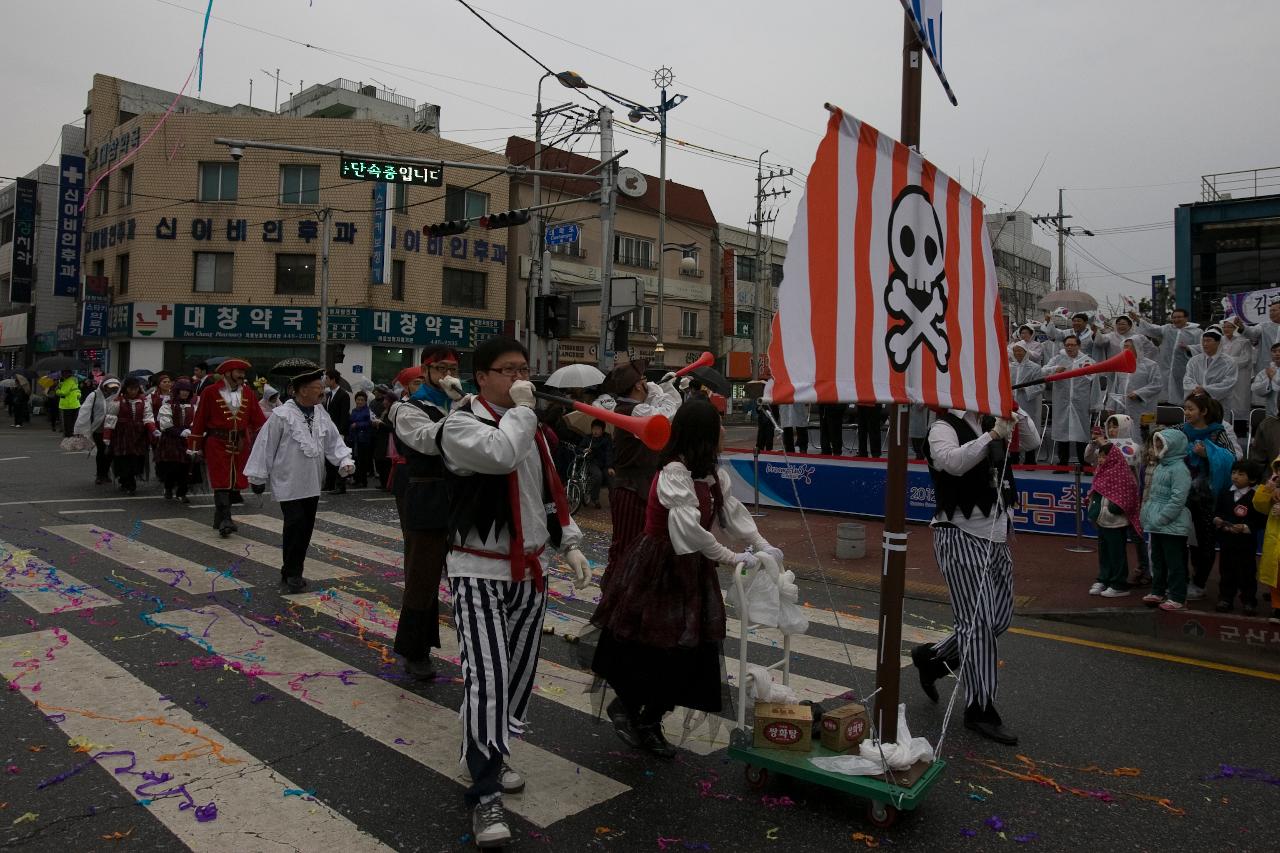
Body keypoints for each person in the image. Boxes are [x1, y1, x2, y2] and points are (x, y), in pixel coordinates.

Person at [434, 337, 591, 847]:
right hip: (478, 570)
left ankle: (487, 754)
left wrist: (568, 542)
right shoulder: (461, 425)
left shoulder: (532, 430)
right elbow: (501, 456)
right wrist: (524, 410)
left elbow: (548, 487)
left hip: (530, 570)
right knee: (490, 678)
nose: (520, 378)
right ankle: (483, 796)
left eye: (524, 369)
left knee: (519, 678)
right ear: (482, 377)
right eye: (508, 370)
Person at [590, 399, 782, 756]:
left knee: (692, 655)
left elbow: (734, 517)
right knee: (654, 650)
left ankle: (647, 715)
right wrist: (732, 556)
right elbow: (690, 531)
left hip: (691, 570)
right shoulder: (673, 473)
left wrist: (764, 547)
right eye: (718, 425)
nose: (724, 430)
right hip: (658, 569)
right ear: (702, 433)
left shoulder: (711, 474)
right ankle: (636, 711)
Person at [911, 405, 1039, 746]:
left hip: (996, 535)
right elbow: (952, 462)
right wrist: (993, 434)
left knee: (998, 619)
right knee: (979, 625)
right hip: (960, 534)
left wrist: (1014, 410)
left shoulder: (988, 420)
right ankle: (980, 709)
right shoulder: (943, 427)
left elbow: (1031, 440)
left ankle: (933, 657)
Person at [386, 351, 465, 680]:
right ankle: (415, 650)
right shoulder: (408, 409)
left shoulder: (459, 403)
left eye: (453, 369)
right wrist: (461, 409)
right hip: (427, 495)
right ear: (428, 370)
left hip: (462, 497)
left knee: (469, 574)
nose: (448, 374)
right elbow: (429, 443)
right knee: (423, 575)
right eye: (440, 368)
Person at [244, 363, 354, 592]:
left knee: (306, 528)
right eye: (316, 387)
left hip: (312, 482)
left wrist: (344, 460)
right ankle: (291, 571)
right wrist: (257, 476)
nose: (321, 392)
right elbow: (265, 446)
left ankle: (294, 568)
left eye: (322, 387)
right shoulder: (282, 416)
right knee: (294, 525)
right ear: (301, 390)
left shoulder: (321, 414)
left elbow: (334, 442)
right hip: (288, 482)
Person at [595, 358, 681, 582]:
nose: (647, 383)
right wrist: (663, 391)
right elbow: (665, 417)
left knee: (644, 547)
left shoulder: (634, 408)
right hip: (631, 490)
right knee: (627, 546)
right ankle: (616, 599)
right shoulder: (633, 411)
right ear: (637, 386)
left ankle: (629, 596)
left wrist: (664, 389)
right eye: (644, 380)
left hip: (641, 486)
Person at [189, 358, 267, 537]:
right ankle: (226, 519)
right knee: (221, 481)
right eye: (238, 372)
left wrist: (269, 438)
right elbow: (200, 419)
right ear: (227, 373)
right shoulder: (210, 392)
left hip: (240, 444)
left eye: (243, 372)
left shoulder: (248, 392)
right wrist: (194, 446)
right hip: (217, 442)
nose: (242, 375)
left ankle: (219, 516)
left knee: (234, 483)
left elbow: (258, 420)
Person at [1179, 392, 1241, 602]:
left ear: (1204, 411)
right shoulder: (1182, 430)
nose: (1187, 413)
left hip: (1207, 497)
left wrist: (1208, 454)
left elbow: (1231, 457)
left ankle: (1199, 582)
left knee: (1204, 540)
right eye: (1185, 408)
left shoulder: (1218, 433)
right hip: (1183, 493)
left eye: (1191, 409)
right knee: (1183, 538)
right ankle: (1182, 579)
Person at [1085, 423, 1143, 598]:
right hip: (1102, 520)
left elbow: (1128, 497)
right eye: (1100, 457)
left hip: (1116, 521)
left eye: (1104, 456)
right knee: (1104, 552)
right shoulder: (1101, 473)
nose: (1101, 460)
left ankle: (1119, 583)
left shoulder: (1123, 473)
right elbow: (1095, 495)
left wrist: (1114, 508)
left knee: (1117, 553)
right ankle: (1104, 578)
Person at [1140, 428, 1194, 611]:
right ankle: (1158, 591)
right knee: (1158, 559)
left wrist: (1162, 518)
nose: (1157, 447)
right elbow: (1153, 495)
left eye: (1161, 443)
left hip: (1171, 523)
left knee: (1174, 561)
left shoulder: (1179, 469)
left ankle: (1178, 597)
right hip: (1157, 522)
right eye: (1156, 443)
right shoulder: (1161, 466)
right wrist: (1148, 514)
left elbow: (1178, 499)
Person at [1213, 460, 1265, 615]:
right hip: (1227, 541)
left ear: (1253, 479)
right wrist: (1218, 520)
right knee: (1226, 570)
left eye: (1241, 474)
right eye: (1234, 472)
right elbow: (1218, 511)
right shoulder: (1225, 493)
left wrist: (1245, 527)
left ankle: (1249, 601)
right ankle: (1226, 598)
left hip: (1246, 543)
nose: (1235, 476)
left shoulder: (1256, 497)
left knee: (1247, 572)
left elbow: (1260, 521)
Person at [1044, 334, 1095, 466]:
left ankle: (1084, 463)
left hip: (1080, 403)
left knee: (1082, 433)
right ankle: (1062, 463)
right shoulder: (1058, 359)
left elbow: (1095, 384)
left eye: (1073, 345)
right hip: (1062, 402)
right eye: (1067, 345)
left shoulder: (1087, 361)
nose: (1070, 347)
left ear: (1079, 346)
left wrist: (1095, 403)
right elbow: (1042, 371)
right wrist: (1055, 369)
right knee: (1062, 432)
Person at [1132, 307, 1200, 405]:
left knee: (1182, 390)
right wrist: (1138, 320)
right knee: (1164, 389)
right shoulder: (1167, 328)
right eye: (1174, 317)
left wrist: (1189, 348)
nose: (1176, 320)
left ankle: (1181, 409)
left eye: (1179, 317)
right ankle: (1165, 408)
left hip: (1184, 367)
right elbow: (1152, 329)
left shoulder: (1196, 332)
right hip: (1165, 366)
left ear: (1186, 318)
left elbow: (1201, 347)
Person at [103, 376, 157, 496]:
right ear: (125, 389)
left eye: (136, 389)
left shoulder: (144, 401)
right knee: (123, 458)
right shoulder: (117, 401)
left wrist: (153, 430)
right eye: (131, 389)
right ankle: (127, 482)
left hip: (138, 434)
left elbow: (148, 417)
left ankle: (130, 481)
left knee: (136, 458)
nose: (133, 391)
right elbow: (110, 419)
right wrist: (107, 436)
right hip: (122, 434)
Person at [1106, 338, 1163, 432]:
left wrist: (1138, 393)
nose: (1125, 349)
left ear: (1137, 347)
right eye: (1123, 346)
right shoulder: (1122, 364)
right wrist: (1111, 406)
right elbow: (1115, 386)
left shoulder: (1151, 365)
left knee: (1143, 436)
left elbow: (1157, 385)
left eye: (1127, 346)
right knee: (1123, 435)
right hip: (1123, 407)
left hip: (1144, 408)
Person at [156, 380, 198, 503]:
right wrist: (180, 432)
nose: (184, 393)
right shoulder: (167, 406)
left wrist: (190, 430)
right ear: (177, 391)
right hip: (171, 440)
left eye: (187, 391)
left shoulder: (193, 407)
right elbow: (165, 424)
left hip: (188, 441)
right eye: (182, 390)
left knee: (186, 467)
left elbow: (197, 422)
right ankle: (168, 488)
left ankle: (182, 492)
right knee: (172, 466)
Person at [75, 376, 120, 484]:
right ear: (104, 386)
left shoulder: (118, 396)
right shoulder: (94, 395)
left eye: (115, 387)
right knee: (101, 451)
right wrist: (80, 428)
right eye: (110, 387)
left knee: (110, 452)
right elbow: (85, 411)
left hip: (113, 428)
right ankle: (100, 475)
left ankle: (106, 473)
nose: (112, 389)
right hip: (99, 429)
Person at [1251, 458, 1280, 624]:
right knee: (1276, 576)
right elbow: (1259, 506)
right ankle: (1277, 607)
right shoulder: (1274, 488)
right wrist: (1266, 490)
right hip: (1274, 541)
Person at [1182, 326, 1238, 405]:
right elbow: (1188, 379)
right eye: (1203, 341)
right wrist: (1196, 390)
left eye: (1209, 341)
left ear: (1218, 342)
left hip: (1219, 403)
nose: (1205, 344)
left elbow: (1229, 383)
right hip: (1197, 401)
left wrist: (1206, 390)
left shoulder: (1229, 362)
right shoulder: (1194, 361)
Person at [1218, 318, 1255, 435]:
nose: (1226, 329)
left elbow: (1246, 359)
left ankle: (1240, 430)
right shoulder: (1220, 341)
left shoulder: (1244, 341)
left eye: (1229, 327)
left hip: (1240, 376)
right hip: (1223, 376)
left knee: (1240, 401)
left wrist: (1226, 361)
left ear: (1235, 328)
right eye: (1224, 327)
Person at [1009, 343, 1043, 465]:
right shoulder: (1009, 367)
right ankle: (1014, 459)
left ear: (1026, 352)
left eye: (1020, 351)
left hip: (1027, 404)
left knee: (1028, 430)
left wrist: (1026, 389)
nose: (1018, 353)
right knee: (1012, 430)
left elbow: (1040, 386)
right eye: (1015, 351)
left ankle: (1030, 461)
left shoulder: (1035, 367)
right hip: (1012, 404)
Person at [322, 369, 352, 494]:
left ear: (333, 379)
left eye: (327, 378)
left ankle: (341, 485)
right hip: (328, 431)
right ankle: (329, 483)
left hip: (339, 431)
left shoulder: (343, 395)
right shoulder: (328, 395)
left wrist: (340, 432)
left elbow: (344, 415)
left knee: (340, 457)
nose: (325, 381)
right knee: (329, 459)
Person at [1233, 300, 1280, 374]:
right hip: (1266, 365)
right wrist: (1242, 327)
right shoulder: (1264, 326)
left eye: (1274, 311)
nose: (1271, 313)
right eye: (1270, 311)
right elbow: (1252, 332)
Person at [579, 419, 614, 509]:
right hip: (592, 462)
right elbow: (579, 448)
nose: (595, 431)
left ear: (602, 430)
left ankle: (613, 500)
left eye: (598, 429)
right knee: (597, 475)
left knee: (611, 477)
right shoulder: (588, 438)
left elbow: (609, 452)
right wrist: (585, 450)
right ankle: (595, 499)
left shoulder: (607, 438)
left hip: (605, 464)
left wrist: (610, 466)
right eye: (594, 429)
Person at [346, 391, 376, 488]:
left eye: (362, 400)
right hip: (354, 439)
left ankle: (363, 481)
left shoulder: (368, 411)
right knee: (355, 460)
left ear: (365, 401)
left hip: (364, 439)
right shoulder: (354, 411)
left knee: (363, 461)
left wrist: (358, 425)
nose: (359, 401)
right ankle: (356, 479)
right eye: (358, 399)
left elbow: (370, 423)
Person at [1251, 342, 1280, 418]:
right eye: (1274, 351)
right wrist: (1269, 380)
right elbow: (1257, 390)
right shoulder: (1265, 372)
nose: (1277, 354)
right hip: (1271, 414)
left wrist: (1274, 378)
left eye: (1279, 351)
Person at [54, 369, 82, 438]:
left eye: (63, 373)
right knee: (73, 421)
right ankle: (73, 434)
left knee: (67, 422)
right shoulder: (74, 381)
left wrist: (57, 390)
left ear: (66, 374)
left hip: (67, 405)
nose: (62, 375)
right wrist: (61, 384)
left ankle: (68, 436)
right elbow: (77, 391)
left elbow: (64, 392)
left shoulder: (68, 381)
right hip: (75, 404)